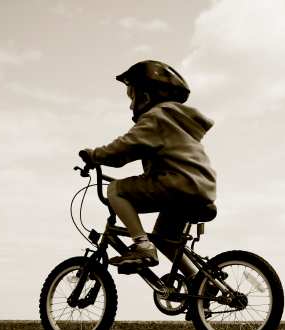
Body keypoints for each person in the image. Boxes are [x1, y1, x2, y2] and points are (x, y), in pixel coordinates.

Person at [79, 60, 217, 273]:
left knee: (116, 190)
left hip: (177, 184)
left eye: (132, 97)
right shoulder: (179, 122)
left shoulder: (157, 117)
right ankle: (199, 282)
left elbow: (124, 148)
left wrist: (94, 155)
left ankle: (142, 245)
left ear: (146, 95)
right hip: (198, 188)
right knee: (164, 239)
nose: (131, 106)